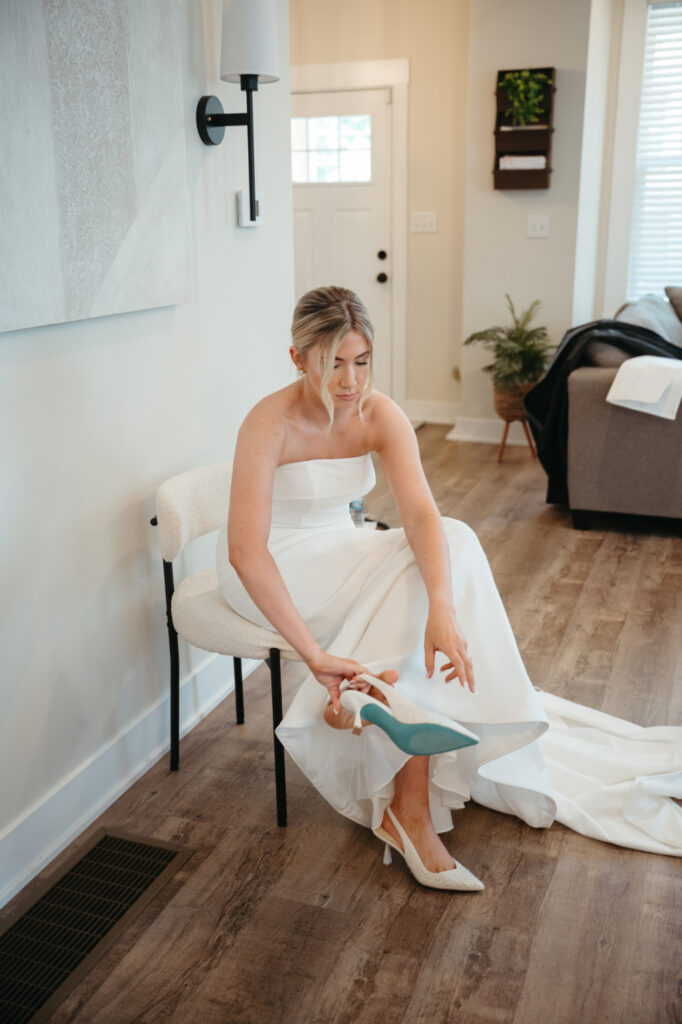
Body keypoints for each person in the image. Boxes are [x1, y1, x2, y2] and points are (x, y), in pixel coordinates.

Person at [216, 287, 682, 889]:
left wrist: (444, 608)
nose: (350, 380)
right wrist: (313, 655)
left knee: (453, 539)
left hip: (343, 546)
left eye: (361, 362)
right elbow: (245, 551)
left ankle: (398, 745)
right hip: (276, 564)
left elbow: (421, 514)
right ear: (298, 358)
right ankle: (405, 802)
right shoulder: (268, 422)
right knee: (404, 587)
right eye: (333, 363)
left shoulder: (376, 412)